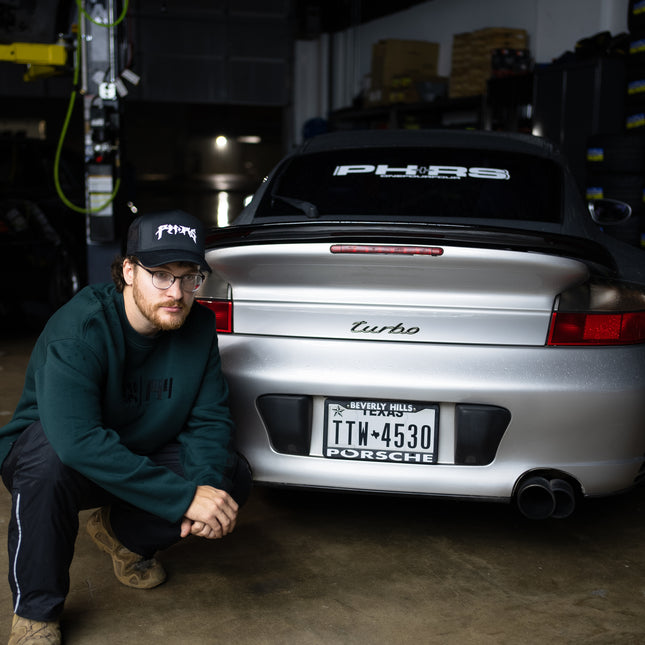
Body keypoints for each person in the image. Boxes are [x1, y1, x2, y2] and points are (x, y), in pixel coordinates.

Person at [0, 210, 252, 645]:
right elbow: (77, 442)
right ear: (129, 271)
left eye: (190, 277)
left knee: (231, 475)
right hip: (64, 462)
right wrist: (184, 498)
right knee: (47, 458)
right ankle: (36, 612)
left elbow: (208, 421)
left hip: (137, 452)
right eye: (161, 276)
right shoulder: (79, 329)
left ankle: (122, 535)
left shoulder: (199, 326)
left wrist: (205, 488)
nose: (177, 293)